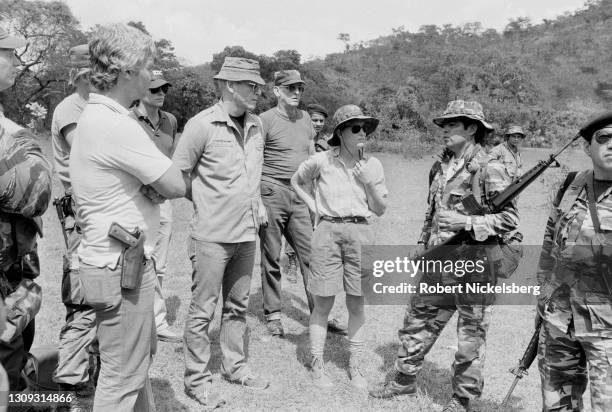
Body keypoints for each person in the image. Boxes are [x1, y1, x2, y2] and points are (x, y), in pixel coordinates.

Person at [369, 100, 519, 412]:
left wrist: (467, 223)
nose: (445, 129)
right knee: (417, 320)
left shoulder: (490, 168)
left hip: (475, 264)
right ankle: (403, 380)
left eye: (453, 124)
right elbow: (432, 211)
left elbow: (509, 221)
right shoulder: (440, 166)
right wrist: (422, 242)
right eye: (444, 124)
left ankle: (461, 399)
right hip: (439, 260)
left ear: (472, 129)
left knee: (470, 335)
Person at [70, 23, 185, 411]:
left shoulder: (100, 116)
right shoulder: (117, 124)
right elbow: (173, 184)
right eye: (148, 66)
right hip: (120, 267)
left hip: (115, 262)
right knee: (122, 375)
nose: (153, 75)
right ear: (125, 70)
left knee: (133, 363)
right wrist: (154, 182)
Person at [173, 57, 269, 408]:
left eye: (258, 85)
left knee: (237, 307)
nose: (257, 90)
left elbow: (253, 176)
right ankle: (196, 380)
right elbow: (178, 175)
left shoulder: (257, 125)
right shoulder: (201, 125)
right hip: (211, 236)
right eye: (250, 85)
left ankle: (235, 367)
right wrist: (205, 200)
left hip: (247, 234)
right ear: (229, 85)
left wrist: (255, 202)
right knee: (202, 311)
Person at [292, 104, 388, 389]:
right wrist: (315, 208)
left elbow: (381, 208)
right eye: (356, 128)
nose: (363, 134)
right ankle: (317, 364)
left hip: (361, 233)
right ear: (341, 133)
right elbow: (296, 181)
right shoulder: (322, 160)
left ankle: (355, 366)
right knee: (323, 302)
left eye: (365, 129)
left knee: (356, 303)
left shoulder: (373, 164)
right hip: (327, 233)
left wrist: (368, 182)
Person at [259, 70, 346, 337]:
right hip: (271, 191)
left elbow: (311, 154)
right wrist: (257, 202)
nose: (297, 93)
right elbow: (253, 161)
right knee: (271, 256)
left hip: (299, 194)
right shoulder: (264, 120)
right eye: (290, 88)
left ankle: (319, 314)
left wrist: (316, 193)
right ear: (276, 91)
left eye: (300, 88)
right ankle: (273, 314)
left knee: (312, 255)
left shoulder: (306, 118)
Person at [536, 112, 612, 412]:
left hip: (606, 327)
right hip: (559, 318)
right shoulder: (571, 184)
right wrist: (542, 296)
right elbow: (548, 243)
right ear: (587, 147)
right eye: (603, 138)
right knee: (556, 403)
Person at [0, 26, 51, 393]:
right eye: (8, 54)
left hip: (13, 270)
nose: (17, 63)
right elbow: (34, 191)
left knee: (16, 356)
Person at [51, 43, 99, 411]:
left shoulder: (96, 107)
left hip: (100, 214)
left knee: (101, 297)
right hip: (81, 215)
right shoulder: (71, 109)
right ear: (83, 75)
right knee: (82, 300)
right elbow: (89, 154)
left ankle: (88, 373)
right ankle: (69, 381)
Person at [129, 70, 182, 344]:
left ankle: (157, 322)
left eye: (165, 89)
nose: (161, 94)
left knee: (159, 263)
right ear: (141, 92)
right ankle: (136, 320)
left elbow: (169, 159)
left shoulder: (170, 121)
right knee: (136, 260)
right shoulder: (128, 119)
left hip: (162, 200)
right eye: (155, 90)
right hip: (136, 199)